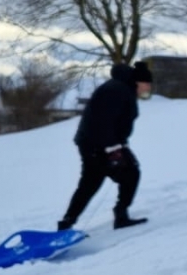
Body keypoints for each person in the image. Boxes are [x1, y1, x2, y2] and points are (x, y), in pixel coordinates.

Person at [58, 60, 153, 231]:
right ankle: (120, 215)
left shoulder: (122, 88)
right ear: (138, 82)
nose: (148, 89)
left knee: (91, 183)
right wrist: (112, 148)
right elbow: (103, 121)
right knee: (130, 173)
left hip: (96, 143)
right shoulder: (117, 90)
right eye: (147, 85)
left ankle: (67, 223)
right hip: (100, 144)